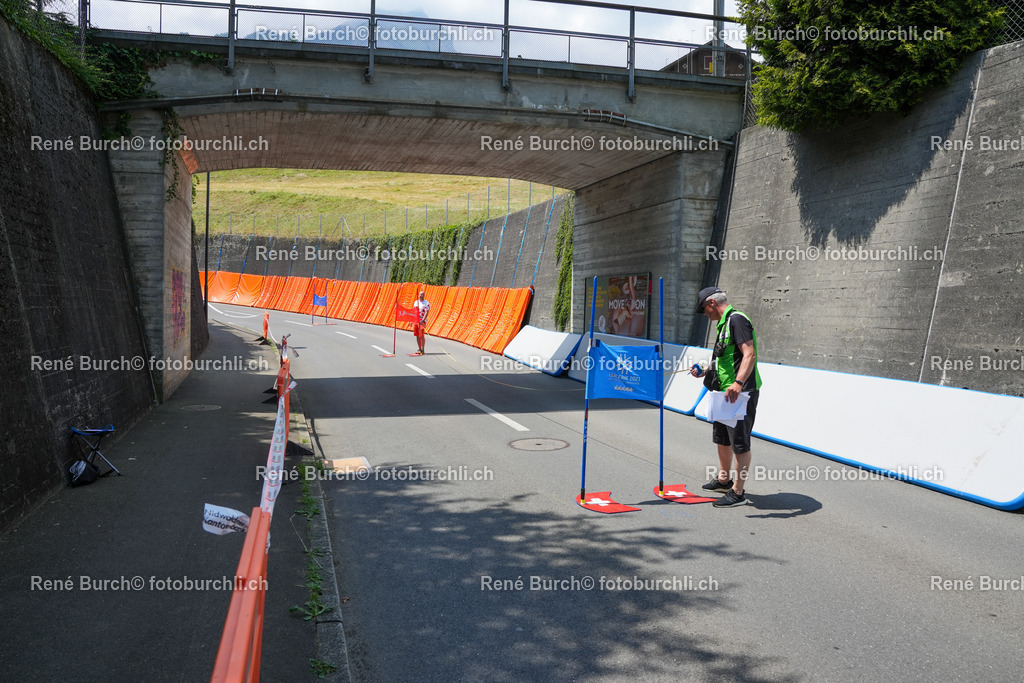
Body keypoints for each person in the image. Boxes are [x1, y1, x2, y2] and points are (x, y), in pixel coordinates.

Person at [690, 287, 762, 507]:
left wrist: (738, 383)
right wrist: (705, 370)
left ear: (711, 303)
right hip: (723, 392)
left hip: (741, 393)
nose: (704, 313)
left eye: (704, 308)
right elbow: (725, 358)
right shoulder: (723, 324)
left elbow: (749, 354)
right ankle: (724, 480)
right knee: (722, 438)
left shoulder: (737, 320)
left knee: (740, 442)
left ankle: (738, 492)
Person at [412, 290, 430, 355]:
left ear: (424, 295)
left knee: (421, 335)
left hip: (422, 320)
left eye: (423, 294)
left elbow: (426, 312)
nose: (421, 296)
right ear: (418, 295)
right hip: (416, 320)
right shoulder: (416, 302)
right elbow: (413, 311)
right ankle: (419, 348)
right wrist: (412, 320)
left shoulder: (426, 303)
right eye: (420, 294)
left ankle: (422, 349)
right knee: (417, 335)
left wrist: (423, 320)